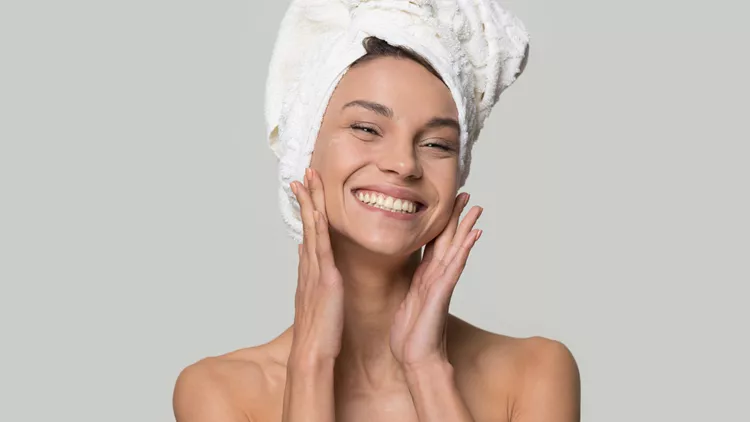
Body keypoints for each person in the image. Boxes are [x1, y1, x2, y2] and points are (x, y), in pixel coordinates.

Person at [174, 1, 580, 421]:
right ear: (303, 146)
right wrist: (310, 364)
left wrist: (426, 369)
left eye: (437, 144)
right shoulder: (221, 391)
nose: (404, 163)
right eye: (367, 129)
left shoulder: (534, 372)